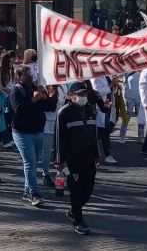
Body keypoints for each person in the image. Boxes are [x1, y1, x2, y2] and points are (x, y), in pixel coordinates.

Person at [54, 82, 101, 236]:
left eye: (84, 94)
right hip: (72, 158)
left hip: (89, 156)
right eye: (79, 94)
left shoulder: (90, 110)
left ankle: (74, 210)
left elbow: (94, 134)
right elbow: (59, 138)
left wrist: (97, 154)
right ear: (71, 96)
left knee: (88, 190)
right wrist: (59, 161)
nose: (82, 97)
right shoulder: (64, 113)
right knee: (76, 190)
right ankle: (78, 221)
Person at [10, 65, 49, 206]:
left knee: (34, 163)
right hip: (23, 133)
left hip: (38, 130)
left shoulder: (34, 88)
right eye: (27, 74)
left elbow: (48, 107)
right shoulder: (16, 91)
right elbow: (19, 110)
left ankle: (27, 191)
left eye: (31, 74)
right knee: (30, 163)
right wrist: (34, 100)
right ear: (19, 76)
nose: (31, 76)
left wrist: (47, 96)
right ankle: (34, 192)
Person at [120, 71, 144, 142]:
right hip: (129, 98)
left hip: (140, 98)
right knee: (126, 117)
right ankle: (122, 135)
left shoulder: (143, 70)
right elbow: (118, 74)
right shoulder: (127, 69)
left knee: (141, 118)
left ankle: (141, 136)